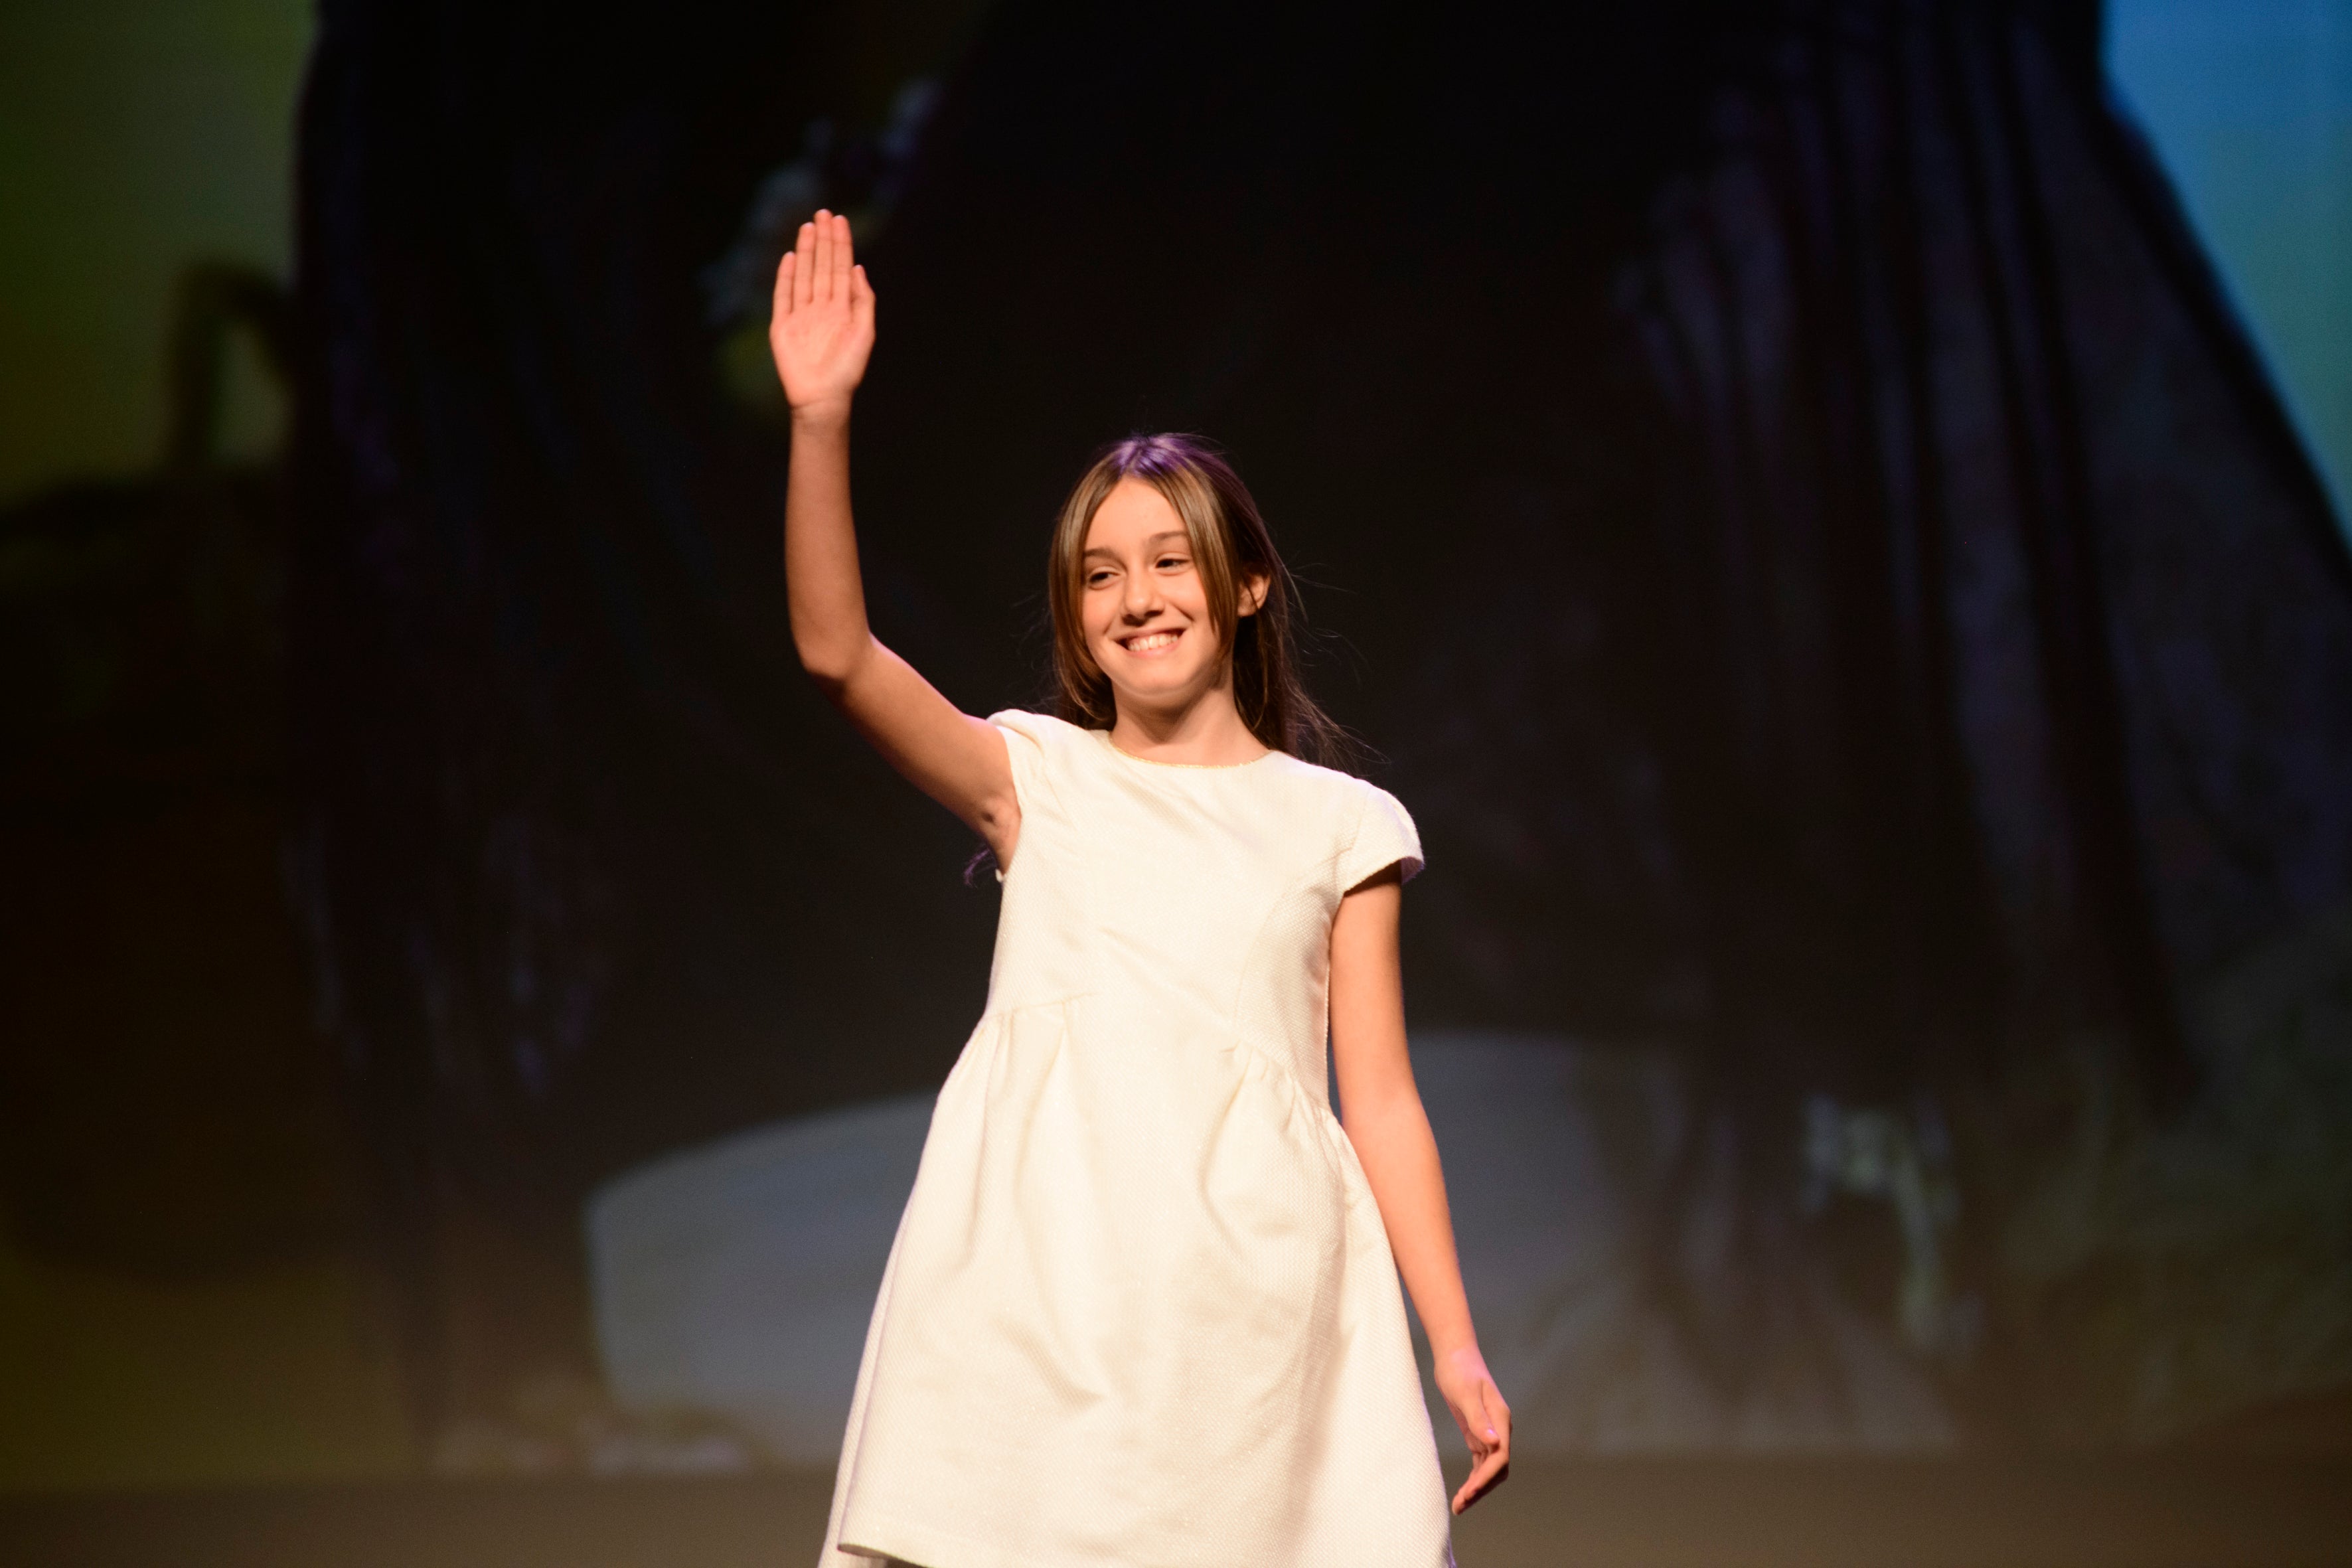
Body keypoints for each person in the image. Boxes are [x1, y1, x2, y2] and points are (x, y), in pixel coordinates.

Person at [773, 210, 1508, 1568]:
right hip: (1041, 1294)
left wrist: (1450, 1337)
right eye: (1099, 573)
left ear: (1242, 587)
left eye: (1171, 559)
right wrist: (819, 417)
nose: (1137, 595)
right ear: (1074, 621)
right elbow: (834, 654)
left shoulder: (1340, 822)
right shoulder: (1035, 776)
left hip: (1251, 1306)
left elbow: (1383, 1095)